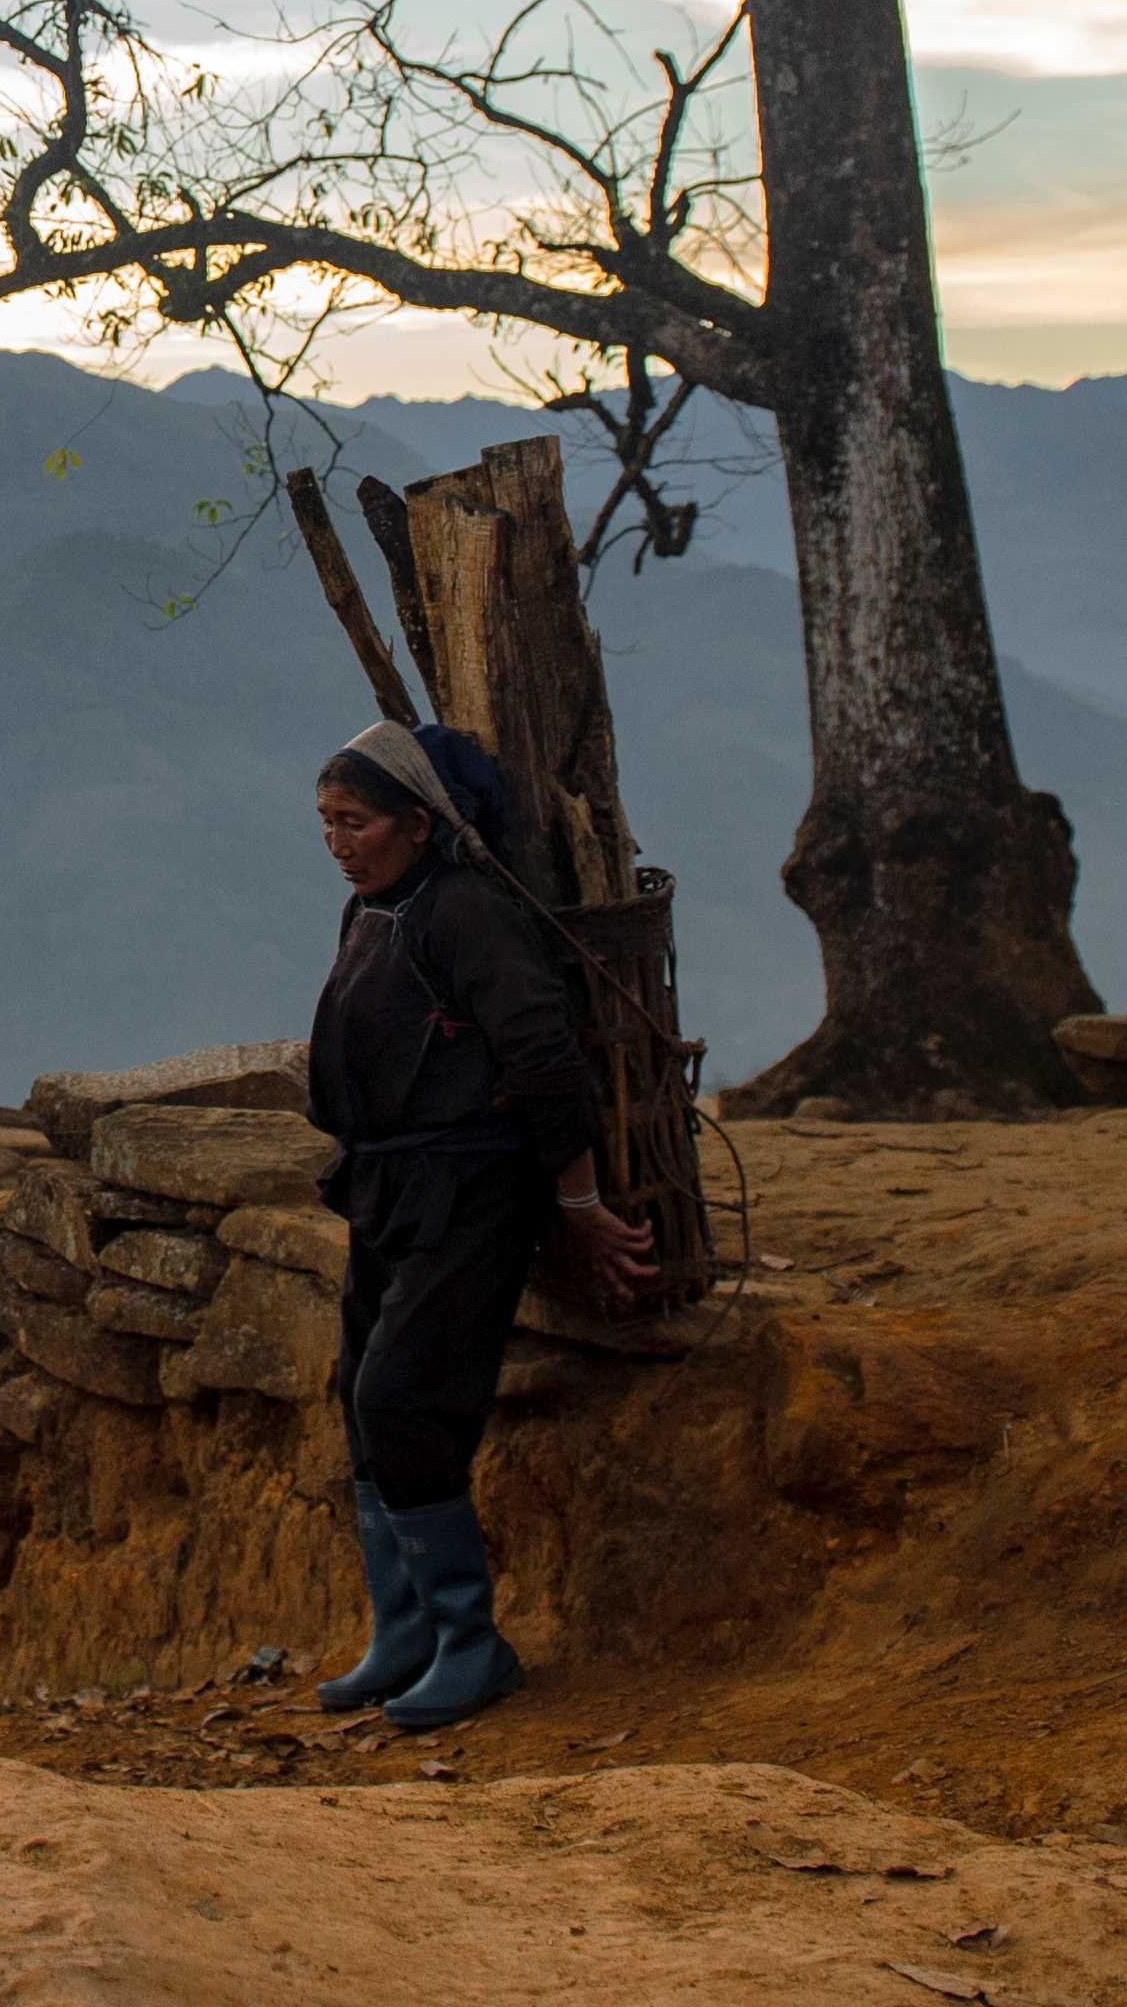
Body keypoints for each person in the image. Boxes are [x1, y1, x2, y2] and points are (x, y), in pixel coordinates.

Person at [302, 718, 656, 1732]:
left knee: (404, 1395)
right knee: (360, 1399)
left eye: (355, 822)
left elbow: (544, 1059)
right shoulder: (376, 910)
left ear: (420, 823)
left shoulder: (467, 913)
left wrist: (578, 1204)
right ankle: (404, 1634)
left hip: (470, 1190)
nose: (338, 842)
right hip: (389, 1189)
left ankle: (473, 1643)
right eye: (327, 823)